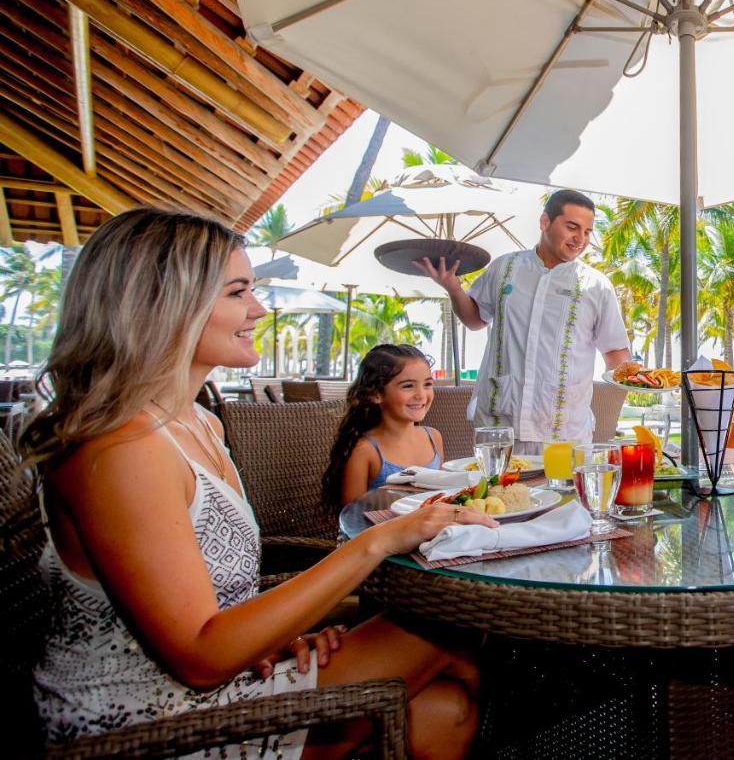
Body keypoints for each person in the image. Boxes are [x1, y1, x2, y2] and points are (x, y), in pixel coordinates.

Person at [22, 208, 497, 759]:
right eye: (237, 292)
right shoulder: (121, 450)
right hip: (152, 723)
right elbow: (200, 657)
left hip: (232, 674)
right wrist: (382, 538)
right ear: (165, 304)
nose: (258, 309)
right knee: (457, 631)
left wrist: (276, 637)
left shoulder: (196, 420)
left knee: (443, 706)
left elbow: (209, 603)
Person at [420, 189, 630, 454]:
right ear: (545, 222)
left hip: (564, 432)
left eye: (587, 231)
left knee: (563, 496)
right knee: (496, 496)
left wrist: (641, 380)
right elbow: (475, 320)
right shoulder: (505, 268)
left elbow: (616, 353)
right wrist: (453, 289)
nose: (581, 239)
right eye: (572, 227)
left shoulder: (596, 286)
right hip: (499, 424)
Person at [323, 344, 444, 509]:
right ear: (376, 394)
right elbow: (351, 519)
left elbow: (441, 497)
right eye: (408, 386)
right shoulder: (365, 451)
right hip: (381, 533)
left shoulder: (433, 438)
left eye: (427, 384)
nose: (421, 395)